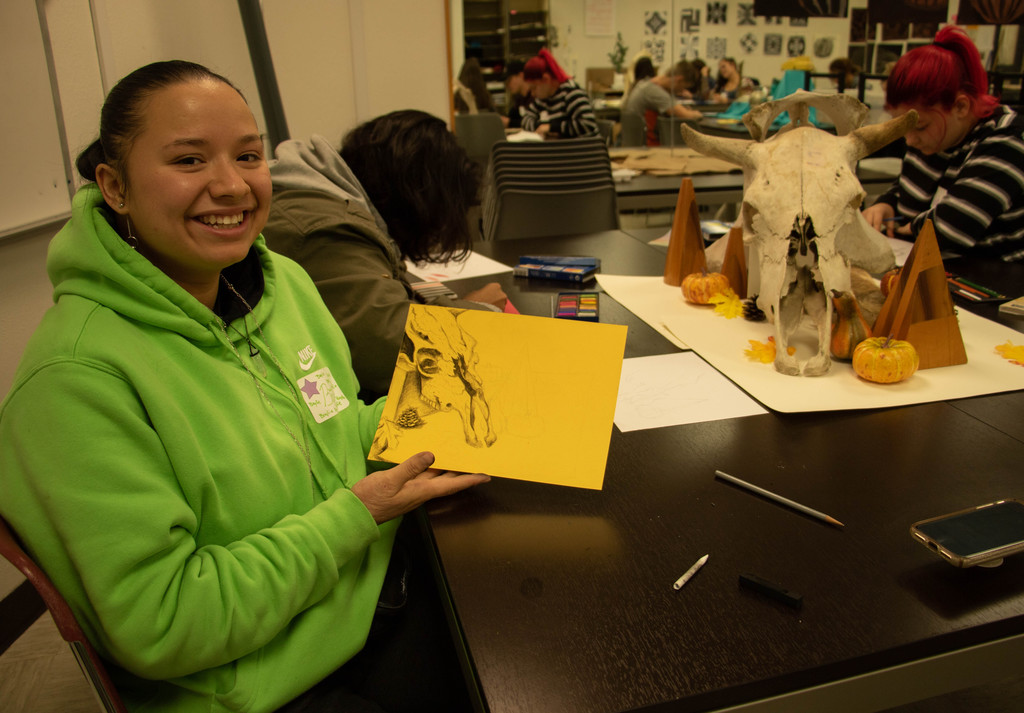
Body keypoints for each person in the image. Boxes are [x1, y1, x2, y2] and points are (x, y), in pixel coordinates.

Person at [0, 60, 490, 713]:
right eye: (188, 160)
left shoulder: (279, 282)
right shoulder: (75, 381)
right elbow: (166, 620)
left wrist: (447, 414)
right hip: (259, 683)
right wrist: (356, 513)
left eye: (248, 155)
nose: (230, 185)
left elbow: (333, 425)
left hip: (357, 593)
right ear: (114, 186)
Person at [262, 111, 507, 402]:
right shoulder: (329, 228)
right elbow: (391, 347)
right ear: (419, 200)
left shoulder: (320, 200)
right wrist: (479, 312)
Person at [862, 26, 1024, 262]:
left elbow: (950, 230)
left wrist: (909, 226)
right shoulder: (936, 136)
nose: (910, 140)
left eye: (920, 127)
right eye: (904, 128)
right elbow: (909, 190)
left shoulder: (1006, 139)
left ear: (961, 107)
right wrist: (887, 204)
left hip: (992, 281)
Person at [622, 57, 703, 145]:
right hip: (644, 146)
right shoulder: (655, 91)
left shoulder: (648, 83)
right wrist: (697, 114)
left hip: (635, 140)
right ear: (679, 79)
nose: (682, 91)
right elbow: (686, 116)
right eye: (683, 87)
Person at [520, 48, 599, 138]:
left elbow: (588, 124)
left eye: (534, 88)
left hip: (583, 149)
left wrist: (552, 127)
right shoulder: (542, 99)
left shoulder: (571, 93)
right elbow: (525, 119)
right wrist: (542, 126)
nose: (533, 93)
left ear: (546, 79)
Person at [504, 57, 531, 128]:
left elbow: (536, 123)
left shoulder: (536, 97)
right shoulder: (519, 99)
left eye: (509, 80)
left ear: (521, 75)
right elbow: (511, 117)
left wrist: (509, 123)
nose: (507, 85)